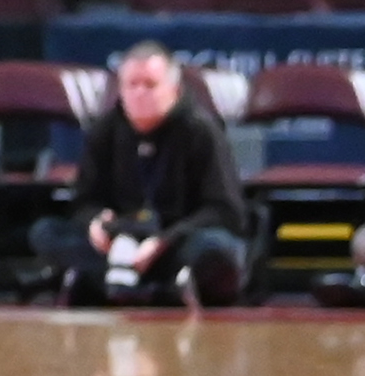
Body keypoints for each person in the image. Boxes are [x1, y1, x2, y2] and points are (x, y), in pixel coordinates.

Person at [30, 43, 252, 308]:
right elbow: (83, 200)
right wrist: (96, 224)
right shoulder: (105, 130)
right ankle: (129, 281)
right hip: (117, 244)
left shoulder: (201, 130)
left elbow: (225, 210)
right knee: (45, 233)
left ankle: (136, 284)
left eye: (150, 85)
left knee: (215, 247)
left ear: (174, 89)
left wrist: (164, 240)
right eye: (131, 85)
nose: (139, 93)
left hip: (176, 242)